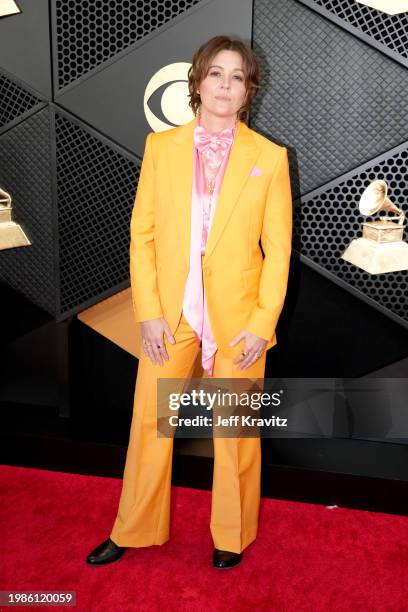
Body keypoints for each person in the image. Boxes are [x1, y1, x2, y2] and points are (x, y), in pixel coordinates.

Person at [86, 34, 292, 570]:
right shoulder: (162, 148)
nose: (225, 85)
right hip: (171, 316)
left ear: (249, 89)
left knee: (235, 431)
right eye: (216, 74)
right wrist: (148, 313)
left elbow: (279, 253)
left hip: (240, 319)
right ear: (197, 81)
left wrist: (260, 324)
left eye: (237, 76)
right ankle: (133, 527)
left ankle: (232, 533)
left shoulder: (269, 160)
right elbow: (142, 235)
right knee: (148, 423)